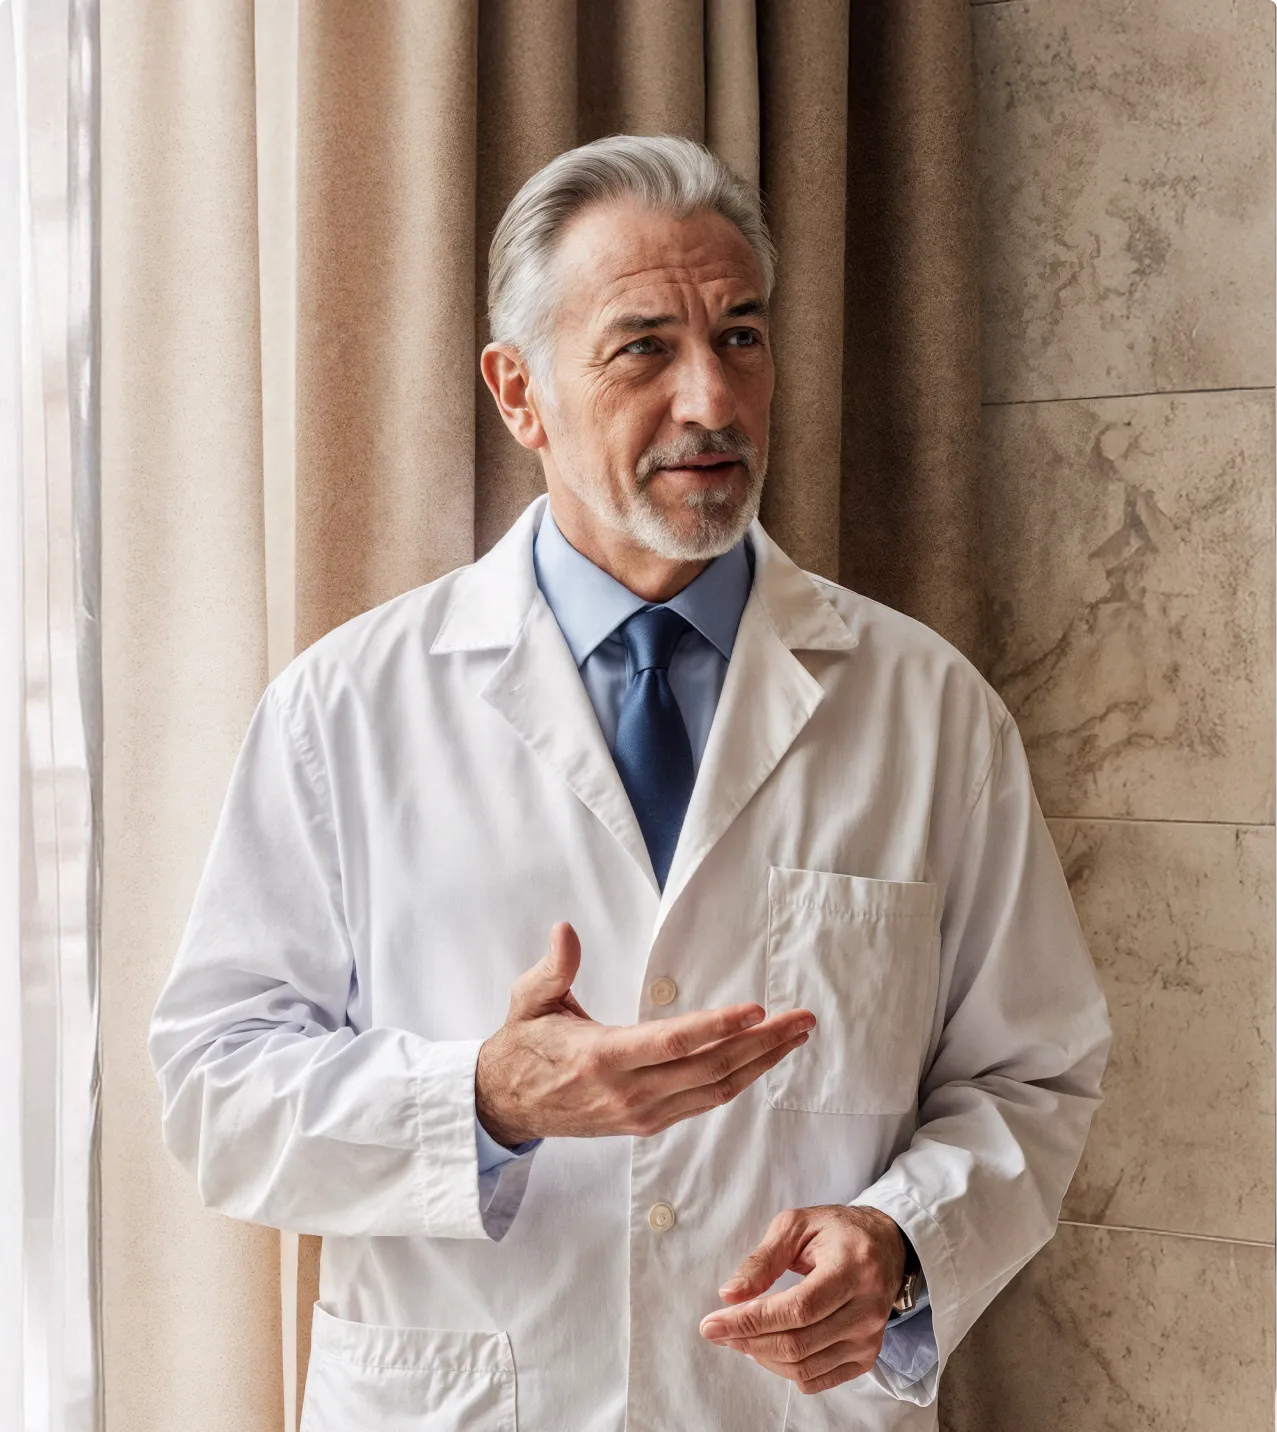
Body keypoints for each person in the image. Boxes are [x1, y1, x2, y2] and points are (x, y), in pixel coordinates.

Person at [148, 134, 1110, 1431]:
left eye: (745, 337)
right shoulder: (345, 711)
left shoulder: (928, 709)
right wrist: (488, 1099)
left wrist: (901, 1243)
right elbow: (214, 1089)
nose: (712, 401)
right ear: (519, 394)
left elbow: (1030, 1077)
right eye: (644, 346)